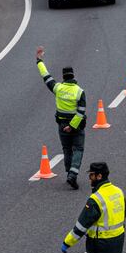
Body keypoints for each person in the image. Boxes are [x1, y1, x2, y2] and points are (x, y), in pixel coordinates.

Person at [36, 46, 87, 189]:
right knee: (78, 149)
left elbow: (46, 76)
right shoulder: (79, 92)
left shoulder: (58, 88)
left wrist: (39, 61)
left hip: (61, 125)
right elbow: (81, 112)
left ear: (64, 77)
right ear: (73, 76)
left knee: (66, 149)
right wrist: (72, 126)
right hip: (76, 126)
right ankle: (73, 174)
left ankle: (68, 173)